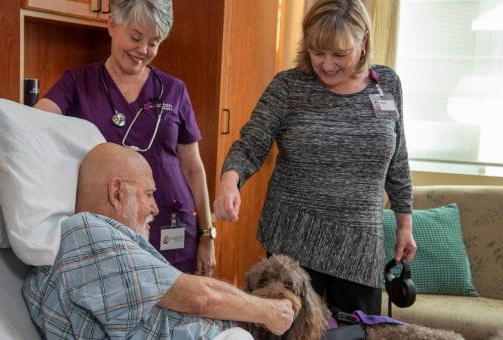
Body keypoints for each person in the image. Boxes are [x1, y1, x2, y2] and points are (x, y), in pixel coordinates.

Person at [213, 0, 416, 316]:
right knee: (282, 332)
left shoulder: (386, 85)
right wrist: (230, 181)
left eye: (339, 54)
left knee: (358, 334)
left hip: (358, 244)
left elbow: (397, 159)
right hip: (292, 239)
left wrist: (405, 224)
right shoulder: (288, 86)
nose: (327, 64)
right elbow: (250, 145)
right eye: (317, 52)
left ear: (363, 41)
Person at [22, 143, 294, 339]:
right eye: (149, 194)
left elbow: (195, 290)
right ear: (117, 193)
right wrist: (270, 312)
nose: (155, 208)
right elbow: (200, 298)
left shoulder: (99, 246)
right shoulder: (85, 231)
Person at [33, 0, 215, 276]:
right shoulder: (78, 83)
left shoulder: (174, 90)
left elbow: (193, 168)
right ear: (111, 24)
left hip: (171, 226)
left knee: (177, 311)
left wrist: (207, 235)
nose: (143, 50)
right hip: (108, 230)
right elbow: (34, 120)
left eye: (154, 42)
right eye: (135, 37)